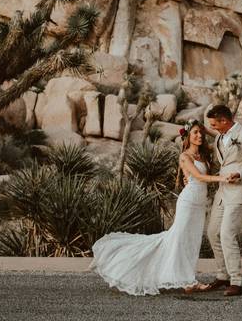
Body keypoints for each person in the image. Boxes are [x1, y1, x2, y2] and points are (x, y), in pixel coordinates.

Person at [90, 121, 228, 295]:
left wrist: (205, 128)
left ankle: (188, 280)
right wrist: (222, 179)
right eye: (195, 133)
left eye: (201, 133)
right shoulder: (185, 156)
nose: (199, 136)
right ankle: (184, 280)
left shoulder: (203, 155)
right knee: (178, 240)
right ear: (187, 136)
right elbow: (199, 177)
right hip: (188, 202)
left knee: (192, 242)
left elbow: (222, 138)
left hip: (200, 206)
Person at [201, 104, 242, 297]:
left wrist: (240, 173)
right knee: (212, 233)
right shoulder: (220, 137)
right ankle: (223, 275)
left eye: (215, 124)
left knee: (227, 234)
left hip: (238, 192)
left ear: (224, 120)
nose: (213, 128)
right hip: (222, 192)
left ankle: (236, 281)